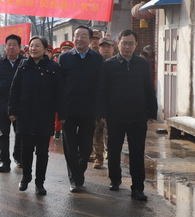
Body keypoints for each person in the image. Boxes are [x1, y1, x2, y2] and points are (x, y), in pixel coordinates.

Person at [96, 29, 157, 201]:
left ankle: (138, 187)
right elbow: (102, 91)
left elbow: (148, 89)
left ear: (136, 45)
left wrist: (152, 111)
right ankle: (115, 179)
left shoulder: (142, 64)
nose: (127, 46)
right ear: (118, 44)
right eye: (124, 43)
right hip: (115, 115)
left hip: (138, 115)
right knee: (114, 150)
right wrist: (101, 112)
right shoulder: (108, 65)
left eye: (131, 43)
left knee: (137, 152)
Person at [8, 36, 64, 195]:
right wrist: (12, 111)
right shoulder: (23, 66)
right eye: (31, 46)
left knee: (42, 152)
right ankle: (26, 178)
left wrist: (62, 114)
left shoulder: (53, 68)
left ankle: (40, 182)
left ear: (45, 49)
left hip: (45, 115)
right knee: (26, 150)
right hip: (25, 114)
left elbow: (60, 93)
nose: (33, 48)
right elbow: (15, 90)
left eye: (37, 46)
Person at [58, 25, 104, 193]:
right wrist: (60, 110)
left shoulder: (97, 59)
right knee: (70, 146)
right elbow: (60, 86)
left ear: (90, 39)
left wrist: (100, 112)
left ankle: (79, 171)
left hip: (89, 110)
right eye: (77, 36)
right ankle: (75, 179)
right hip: (68, 111)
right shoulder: (64, 58)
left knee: (86, 147)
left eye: (83, 36)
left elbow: (101, 87)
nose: (79, 39)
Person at [0, 34, 22, 173]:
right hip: (3, 105)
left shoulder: (25, 63)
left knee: (20, 133)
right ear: (5, 47)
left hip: (21, 106)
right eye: (9, 44)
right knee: (3, 135)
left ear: (20, 48)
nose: (12, 47)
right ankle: (4, 162)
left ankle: (19, 157)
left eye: (15, 44)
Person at [91, 37, 116, 169]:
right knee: (97, 132)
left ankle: (111, 155)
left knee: (111, 133)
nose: (106, 49)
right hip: (97, 103)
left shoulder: (117, 62)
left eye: (109, 46)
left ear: (113, 48)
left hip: (113, 104)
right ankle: (98, 156)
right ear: (99, 48)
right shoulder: (95, 62)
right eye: (103, 46)